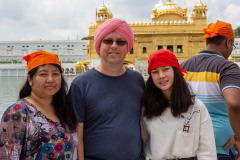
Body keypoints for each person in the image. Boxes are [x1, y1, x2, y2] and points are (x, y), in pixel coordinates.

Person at [68, 18, 145, 160]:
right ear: (99, 45)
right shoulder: (81, 84)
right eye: (108, 41)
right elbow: (76, 134)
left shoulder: (137, 80)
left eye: (120, 42)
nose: (114, 46)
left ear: (128, 47)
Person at [0, 51, 78, 159]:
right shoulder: (18, 112)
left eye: (55, 74)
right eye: (43, 74)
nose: (50, 79)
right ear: (30, 80)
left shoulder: (64, 109)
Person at [141, 49, 217, 160]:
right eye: (155, 72)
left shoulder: (196, 107)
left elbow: (207, 151)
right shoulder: (147, 108)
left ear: (175, 71)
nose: (161, 75)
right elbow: (143, 143)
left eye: (166, 69)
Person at [181, 20, 240, 160]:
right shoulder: (226, 67)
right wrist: (238, 137)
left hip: (187, 146)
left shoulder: (182, 67)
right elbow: (234, 103)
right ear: (227, 42)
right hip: (218, 150)